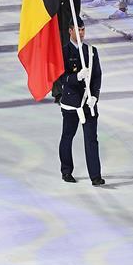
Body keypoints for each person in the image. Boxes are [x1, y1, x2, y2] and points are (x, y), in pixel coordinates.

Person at [58, 18, 104, 186]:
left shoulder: (91, 51)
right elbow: (61, 78)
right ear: (70, 31)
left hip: (88, 102)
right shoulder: (63, 52)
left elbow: (97, 75)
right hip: (71, 102)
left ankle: (96, 175)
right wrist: (75, 77)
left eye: (83, 30)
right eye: (78, 30)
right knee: (68, 136)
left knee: (91, 139)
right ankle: (66, 170)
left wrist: (95, 96)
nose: (81, 33)